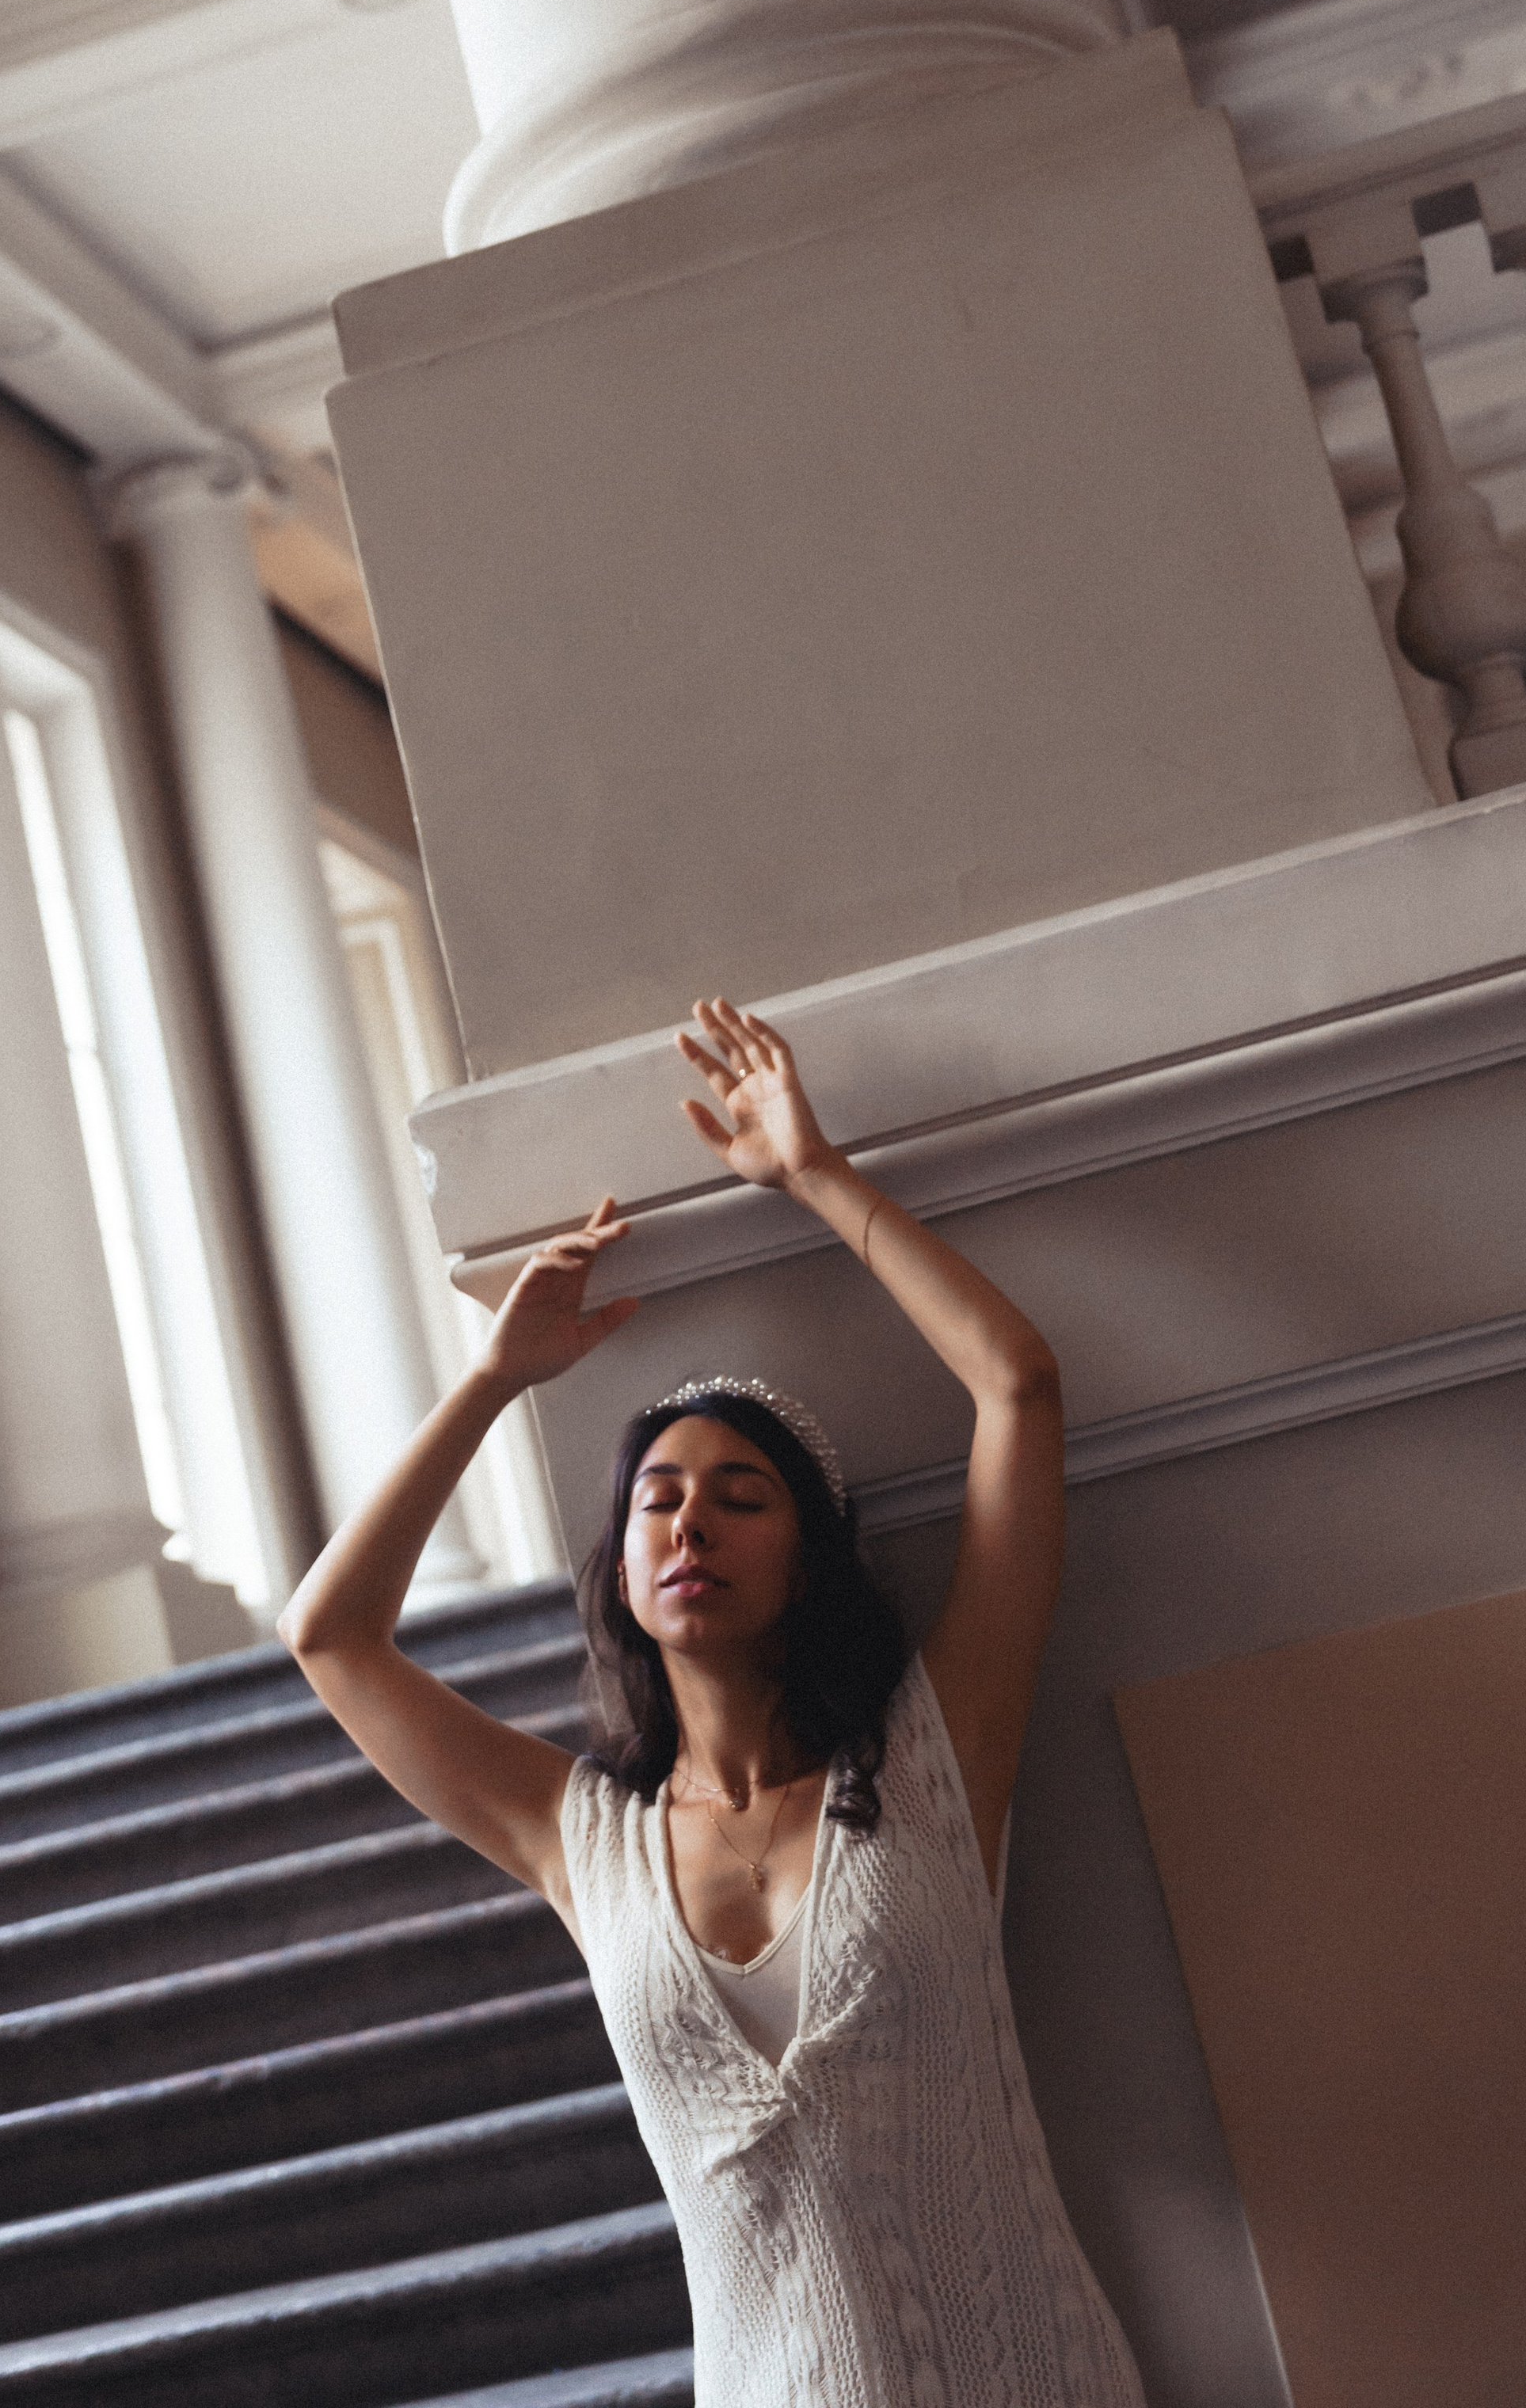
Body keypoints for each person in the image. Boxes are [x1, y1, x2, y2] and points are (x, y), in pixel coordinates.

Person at [280, 997, 1146, 2407]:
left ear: (805, 1558)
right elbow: (331, 1636)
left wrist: (815, 1175)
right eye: (658, 1503)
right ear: (621, 1569)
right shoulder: (581, 1836)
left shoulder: (937, 1753)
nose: (691, 1527)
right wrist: (494, 1380)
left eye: (740, 1500)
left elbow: (1019, 1389)